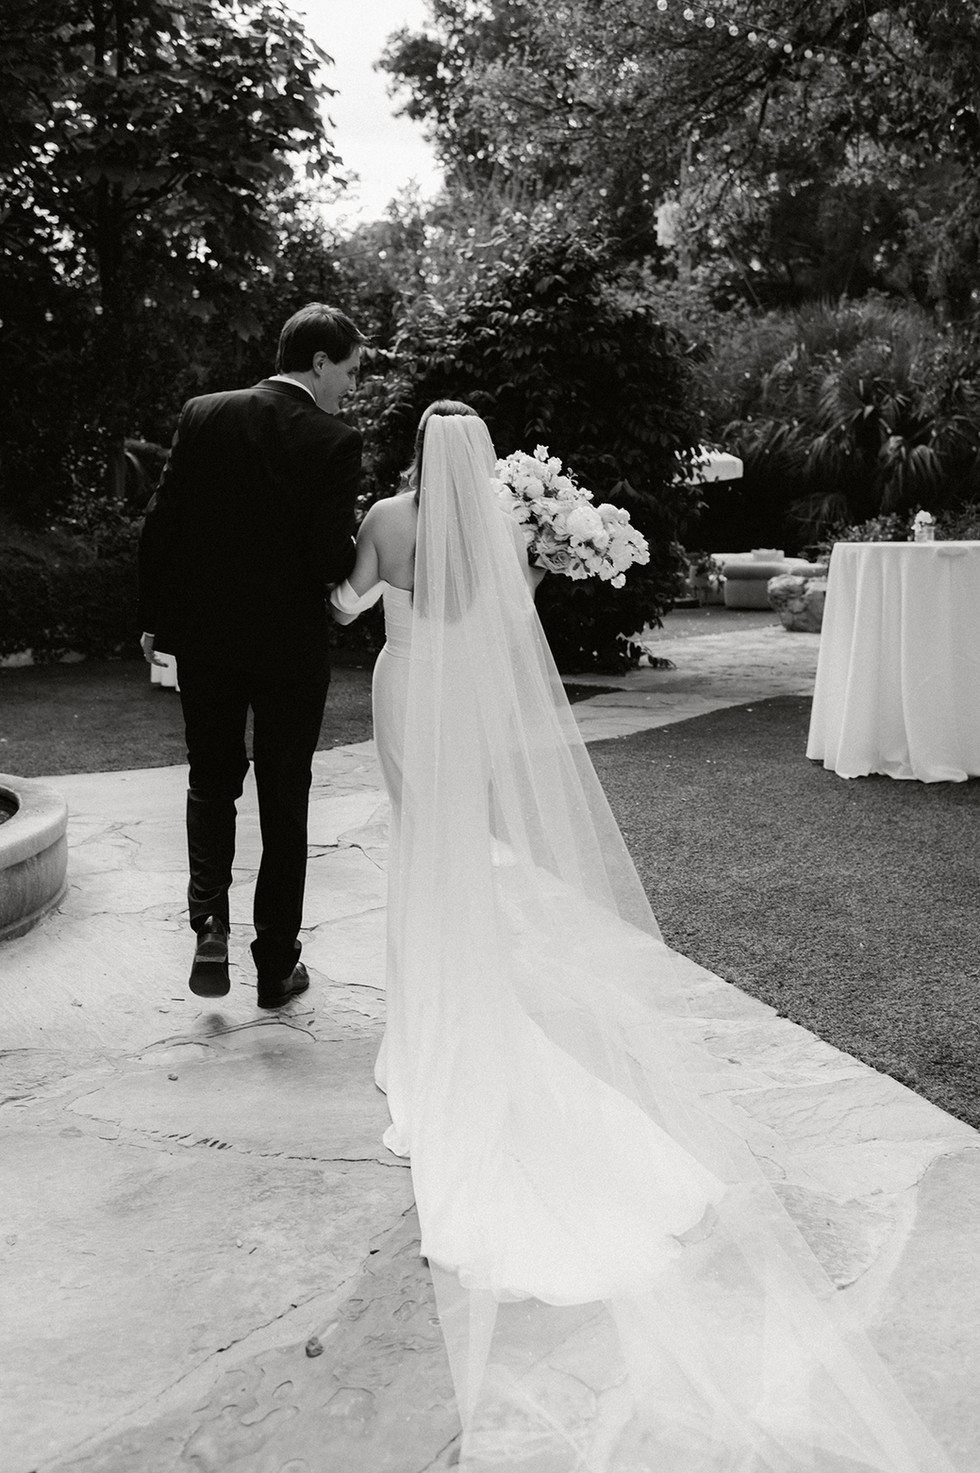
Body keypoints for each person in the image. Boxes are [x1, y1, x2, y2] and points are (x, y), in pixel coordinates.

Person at [329, 404, 955, 1471]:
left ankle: (428, 1025)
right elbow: (511, 625)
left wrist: (358, 583)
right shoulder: (502, 530)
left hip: (405, 688)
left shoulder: (387, 517)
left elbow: (348, 607)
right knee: (462, 852)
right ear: (481, 460)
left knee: (413, 849)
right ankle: (465, 1006)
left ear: (410, 458)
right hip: (468, 697)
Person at [138, 303, 365, 1007]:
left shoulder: (204, 413)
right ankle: (275, 966)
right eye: (351, 371)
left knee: (211, 780)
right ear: (320, 361)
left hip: (207, 639)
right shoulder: (335, 441)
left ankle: (209, 923)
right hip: (289, 649)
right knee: (284, 797)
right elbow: (332, 557)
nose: (352, 389)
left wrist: (155, 622)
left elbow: (161, 525)